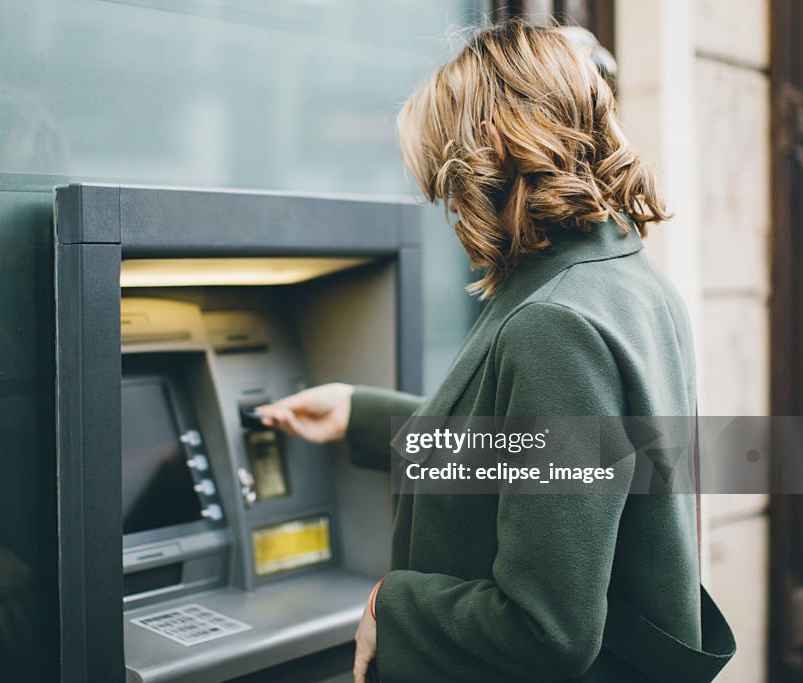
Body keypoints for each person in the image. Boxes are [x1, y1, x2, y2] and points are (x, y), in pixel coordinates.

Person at [256, 18, 735, 683]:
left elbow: (546, 628)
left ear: (493, 152)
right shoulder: (630, 282)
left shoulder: (555, 322)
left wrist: (393, 605)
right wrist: (359, 414)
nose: (452, 206)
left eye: (448, 177)